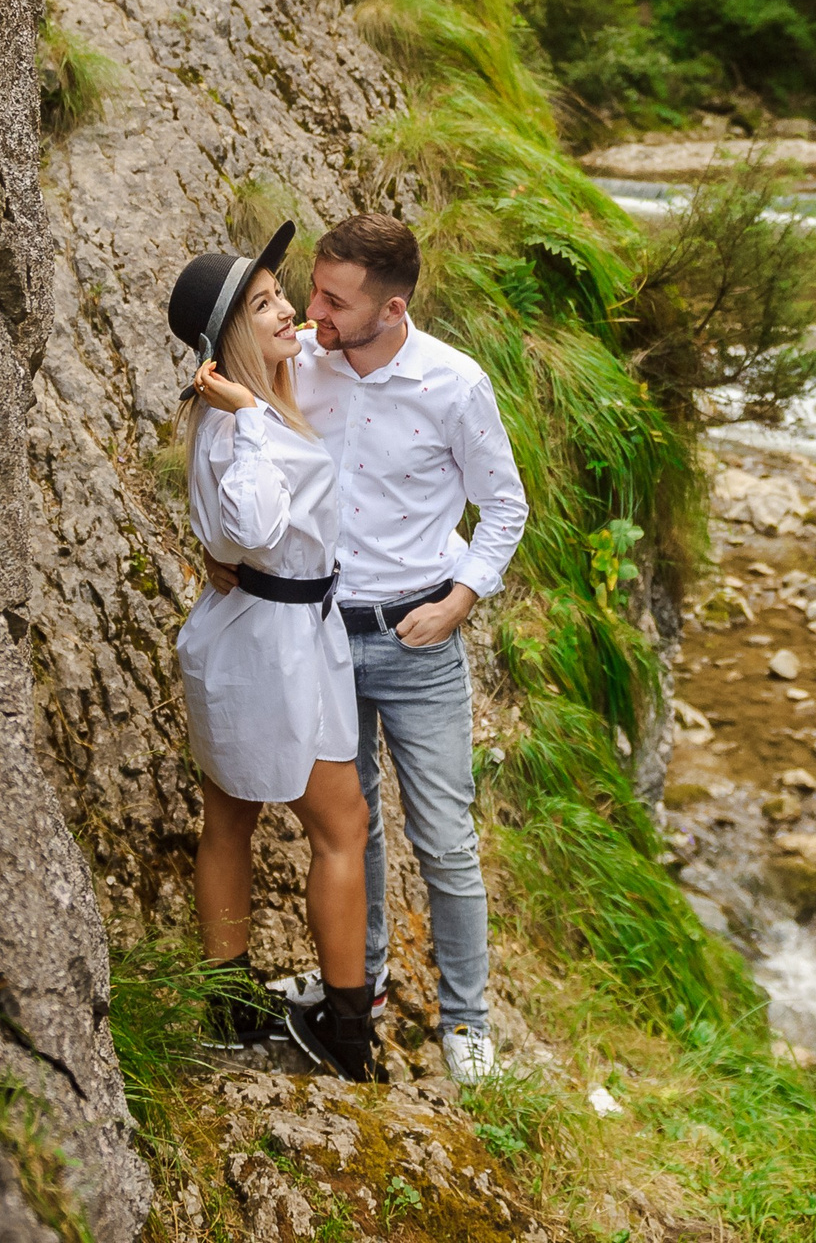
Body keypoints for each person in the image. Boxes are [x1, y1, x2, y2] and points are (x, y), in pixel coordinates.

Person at [209, 214, 528, 1085]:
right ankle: (369, 984)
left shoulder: (455, 385)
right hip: (318, 637)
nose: (314, 310)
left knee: (446, 839)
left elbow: (504, 507)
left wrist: (462, 599)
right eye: (312, 288)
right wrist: (219, 550)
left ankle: (467, 1023)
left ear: (391, 309)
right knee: (357, 826)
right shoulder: (298, 365)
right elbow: (238, 444)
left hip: (418, 635)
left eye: (334, 300)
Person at [167, 222, 378, 1081]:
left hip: (287, 637)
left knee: (232, 821)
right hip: (266, 650)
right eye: (264, 305)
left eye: (278, 291)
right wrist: (249, 415)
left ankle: (232, 1007)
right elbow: (254, 527)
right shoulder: (233, 429)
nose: (288, 309)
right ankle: (345, 1030)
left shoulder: (272, 402)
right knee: (338, 825)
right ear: (227, 348)